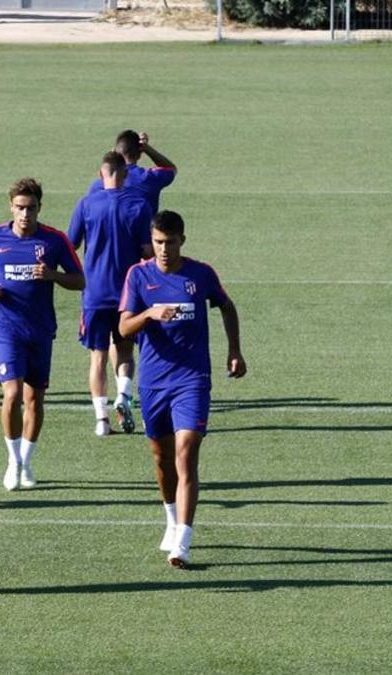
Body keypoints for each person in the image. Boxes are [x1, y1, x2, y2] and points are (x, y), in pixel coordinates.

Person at [118, 210, 246, 568]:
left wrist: (234, 350)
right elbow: (124, 329)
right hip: (154, 382)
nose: (163, 249)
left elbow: (227, 306)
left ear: (182, 241)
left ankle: (184, 544)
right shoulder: (138, 276)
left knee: (185, 453)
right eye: (158, 242)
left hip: (192, 380)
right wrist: (149, 315)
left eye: (170, 242)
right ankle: (172, 519)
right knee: (161, 459)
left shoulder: (200, 274)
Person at [0, 178, 84, 491]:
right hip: (6, 329)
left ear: (39, 208)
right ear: (11, 206)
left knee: (34, 399)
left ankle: (27, 459)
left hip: (40, 330)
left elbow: (80, 280)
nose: (25, 214)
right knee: (12, 394)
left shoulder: (54, 241)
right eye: (20, 207)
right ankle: (13, 461)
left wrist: (53, 275)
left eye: (30, 208)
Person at [68, 152, 153, 436]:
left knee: (98, 357)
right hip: (127, 295)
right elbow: (146, 251)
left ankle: (101, 419)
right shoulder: (139, 206)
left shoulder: (87, 204)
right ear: (125, 174)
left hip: (94, 293)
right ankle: (124, 396)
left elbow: (70, 245)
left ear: (100, 173)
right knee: (126, 350)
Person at [86, 130, 177, 215]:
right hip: (143, 231)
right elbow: (170, 169)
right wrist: (147, 148)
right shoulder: (149, 178)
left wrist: (113, 154)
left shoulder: (98, 185)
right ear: (139, 155)